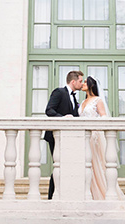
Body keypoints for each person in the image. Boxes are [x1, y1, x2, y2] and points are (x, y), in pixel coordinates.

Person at [80, 76, 125, 200]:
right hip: (83, 137)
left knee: (95, 165)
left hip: (93, 137)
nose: (83, 84)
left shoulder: (98, 100)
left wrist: (94, 129)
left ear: (91, 85)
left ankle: (99, 194)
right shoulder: (83, 102)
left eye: (85, 82)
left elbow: (103, 117)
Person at [44, 70, 83, 200]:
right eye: (80, 81)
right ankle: (51, 197)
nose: (81, 84)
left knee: (67, 167)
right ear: (73, 81)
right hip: (56, 136)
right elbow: (49, 110)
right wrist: (63, 118)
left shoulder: (74, 97)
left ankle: (64, 195)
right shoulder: (59, 92)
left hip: (69, 138)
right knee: (58, 166)